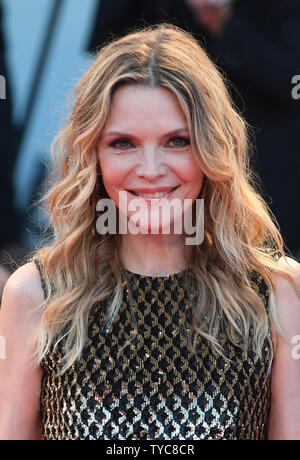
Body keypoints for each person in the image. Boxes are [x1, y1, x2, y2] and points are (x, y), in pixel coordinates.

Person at [0, 23, 300, 440]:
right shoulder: (36, 295)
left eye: (177, 141)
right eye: (123, 143)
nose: (151, 169)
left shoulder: (276, 294)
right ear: (93, 155)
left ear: (211, 148)